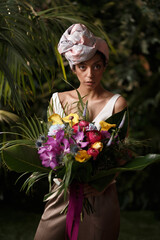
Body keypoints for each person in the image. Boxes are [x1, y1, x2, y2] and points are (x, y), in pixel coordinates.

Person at [34, 23, 127, 240]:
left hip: (99, 196)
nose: (90, 74)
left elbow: (122, 154)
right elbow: (51, 146)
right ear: (73, 67)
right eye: (83, 66)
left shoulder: (117, 104)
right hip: (62, 194)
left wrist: (101, 183)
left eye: (97, 66)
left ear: (104, 67)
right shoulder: (58, 100)